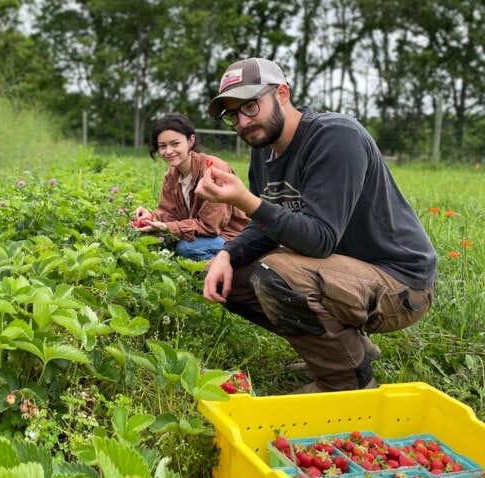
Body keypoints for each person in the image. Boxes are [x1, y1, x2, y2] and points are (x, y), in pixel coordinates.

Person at [195, 57, 436, 393]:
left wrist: (245, 201)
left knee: (277, 273)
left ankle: (347, 383)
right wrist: (227, 254)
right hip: (341, 273)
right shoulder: (263, 151)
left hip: (400, 281)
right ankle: (344, 349)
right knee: (226, 275)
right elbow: (271, 222)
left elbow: (319, 239)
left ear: (281, 93)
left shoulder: (336, 137)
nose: (243, 122)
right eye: (233, 114)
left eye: (250, 105)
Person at [131, 113, 248, 261]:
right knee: (157, 238)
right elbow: (169, 213)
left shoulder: (213, 170)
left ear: (191, 141)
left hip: (233, 237)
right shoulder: (171, 176)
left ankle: (232, 269)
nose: (168, 151)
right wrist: (151, 217)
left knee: (186, 248)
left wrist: (168, 228)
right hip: (207, 236)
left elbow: (210, 227)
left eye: (175, 144)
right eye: (162, 146)